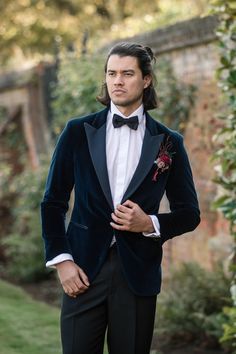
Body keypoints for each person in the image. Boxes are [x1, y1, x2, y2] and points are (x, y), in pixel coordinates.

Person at [41, 42, 200, 354]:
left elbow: (189, 213)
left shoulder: (169, 143)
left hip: (137, 273)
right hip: (83, 270)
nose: (117, 81)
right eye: (111, 73)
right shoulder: (77, 131)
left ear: (146, 79)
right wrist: (62, 262)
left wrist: (148, 222)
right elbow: (53, 202)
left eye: (127, 73)